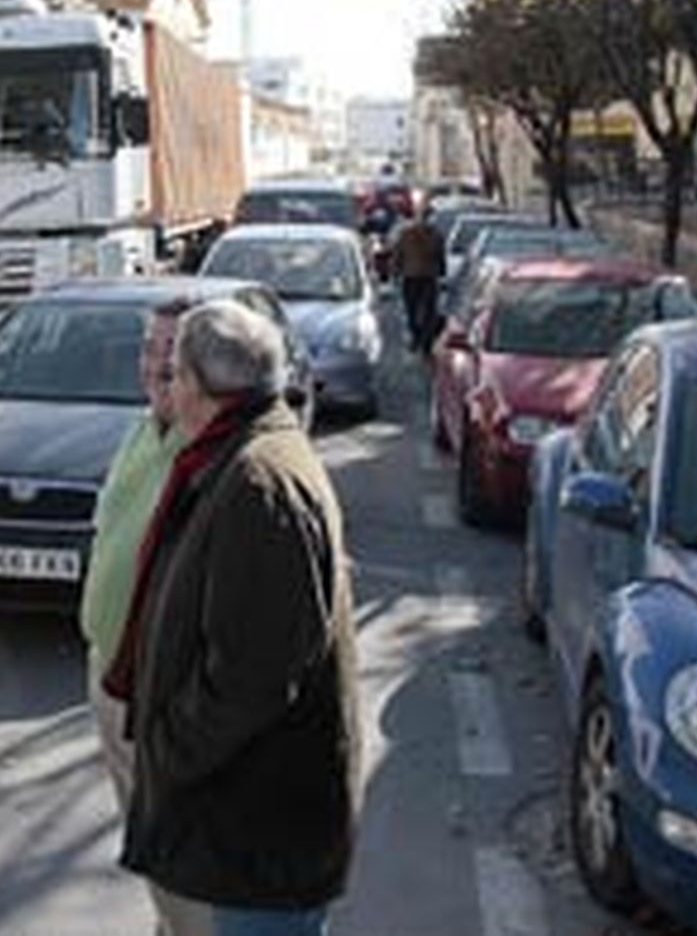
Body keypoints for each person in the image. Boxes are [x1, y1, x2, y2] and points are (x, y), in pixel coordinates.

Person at [108, 300, 360, 936]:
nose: (169, 390)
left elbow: (252, 680)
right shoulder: (246, 452)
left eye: (176, 377)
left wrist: (165, 749)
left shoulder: (257, 484)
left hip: (254, 841)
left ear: (201, 387)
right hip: (248, 832)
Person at [78, 297, 206, 936]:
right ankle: (171, 924)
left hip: (158, 687)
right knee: (146, 828)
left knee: (172, 832)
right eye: (149, 349)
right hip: (110, 669)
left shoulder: (205, 452)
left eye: (172, 354)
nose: (156, 366)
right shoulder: (142, 429)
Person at [391, 203, 445, 354]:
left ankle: (422, 339)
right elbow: (399, 254)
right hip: (419, 276)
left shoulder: (429, 235)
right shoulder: (420, 235)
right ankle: (421, 339)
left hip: (419, 276)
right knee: (418, 310)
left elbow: (398, 254)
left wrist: (395, 270)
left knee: (420, 310)